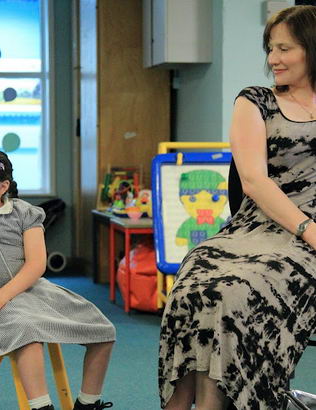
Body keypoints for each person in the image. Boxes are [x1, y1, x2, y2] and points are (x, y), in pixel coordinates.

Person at [158, 5, 316, 410]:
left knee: (234, 292)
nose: (273, 59)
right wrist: (307, 229)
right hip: (255, 229)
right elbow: (254, 181)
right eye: (270, 49)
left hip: (297, 251)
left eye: (285, 48)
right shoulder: (255, 101)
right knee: (195, 285)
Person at [0, 146, 116, 410]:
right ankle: (41, 407)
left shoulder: (25, 213)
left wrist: (6, 292)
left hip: (34, 291)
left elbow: (37, 264)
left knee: (104, 330)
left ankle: (87, 403)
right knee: (28, 330)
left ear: (2, 186)